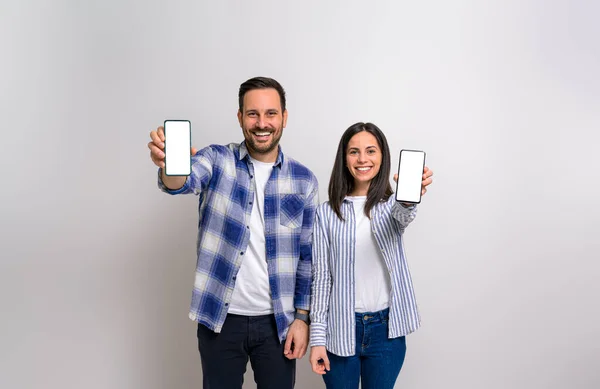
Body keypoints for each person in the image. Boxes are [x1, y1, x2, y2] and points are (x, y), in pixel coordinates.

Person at [147, 77, 319, 389]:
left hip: (277, 323)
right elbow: (181, 181)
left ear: (284, 117)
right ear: (240, 117)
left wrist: (302, 318)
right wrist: (168, 165)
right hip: (220, 320)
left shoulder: (304, 180)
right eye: (253, 114)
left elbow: (307, 257)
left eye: (271, 113)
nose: (262, 123)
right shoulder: (216, 160)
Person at [308, 122, 433, 389]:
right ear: (344, 159)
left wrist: (409, 200)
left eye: (370, 151)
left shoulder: (391, 207)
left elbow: (404, 214)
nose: (362, 159)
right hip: (340, 329)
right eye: (354, 152)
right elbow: (321, 279)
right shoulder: (325, 214)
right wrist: (317, 338)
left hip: (386, 332)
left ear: (382, 157)